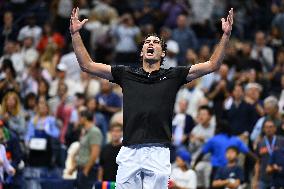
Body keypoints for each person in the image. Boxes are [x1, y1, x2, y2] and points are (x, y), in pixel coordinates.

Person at [70, 7, 234, 189]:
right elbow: (87, 65)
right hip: (129, 150)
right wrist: (75, 34)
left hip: (158, 151)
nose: (150, 43)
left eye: (156, 42)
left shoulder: (174, 75)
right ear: (141, 52)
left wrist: (225, 36)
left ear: (162, 53)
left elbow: (212, 65)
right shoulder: (125, 73)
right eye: (147, 42)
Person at [71, 110, 102, 189]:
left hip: (88, 171)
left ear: (84, 118)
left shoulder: (95, 132)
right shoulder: (86, 132)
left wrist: (86, 171)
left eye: (79, 117)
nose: (78, 119)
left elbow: (95, 153)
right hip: (81, 169)